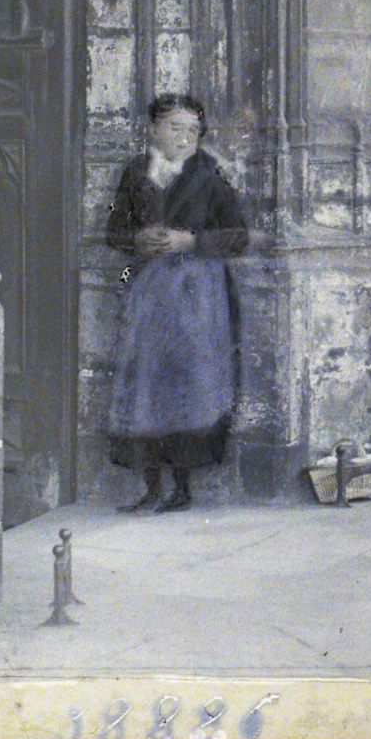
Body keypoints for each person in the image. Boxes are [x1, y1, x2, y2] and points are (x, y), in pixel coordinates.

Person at [106, 94, 249, 513]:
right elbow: (114, 231)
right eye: (174, 128)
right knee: (145, 382)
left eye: (192, 131)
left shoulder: (210, 174)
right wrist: (137, 239)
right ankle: (150, 485)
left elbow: (238, 237)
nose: (184, 138)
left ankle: (182, 488)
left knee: (187, 382)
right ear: (153, 130)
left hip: (197, 293)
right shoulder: (136, 173)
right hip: (148, 291)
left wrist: (191, 241)